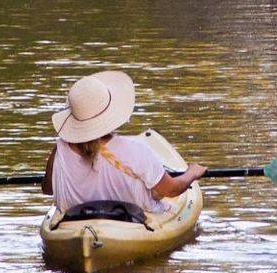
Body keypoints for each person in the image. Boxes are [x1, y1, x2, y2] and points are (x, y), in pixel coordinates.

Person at [42, 70, 204, 218]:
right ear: (108, 114)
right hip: (132, 224)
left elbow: (48, 189)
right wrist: (192, 173)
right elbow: (172, 190)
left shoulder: (60, 149)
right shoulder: (136, 151)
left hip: (74, 221)